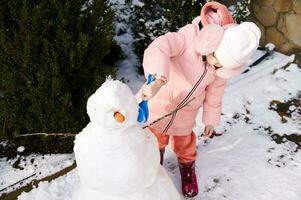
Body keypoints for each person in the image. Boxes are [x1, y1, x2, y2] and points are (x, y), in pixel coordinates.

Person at [137, 2, 261, 198]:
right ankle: (154, 163)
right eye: (216, 59)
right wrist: (157, 78)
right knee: (155, 140)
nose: (216, 65)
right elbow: (159, 47)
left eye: (221, 65)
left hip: (186, 114)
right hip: (160, 104)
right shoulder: (186, 39)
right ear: (211, 41)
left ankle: (187, 167)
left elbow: (215, 93)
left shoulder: (218, 69)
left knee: (185, 145)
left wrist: (211, 119)